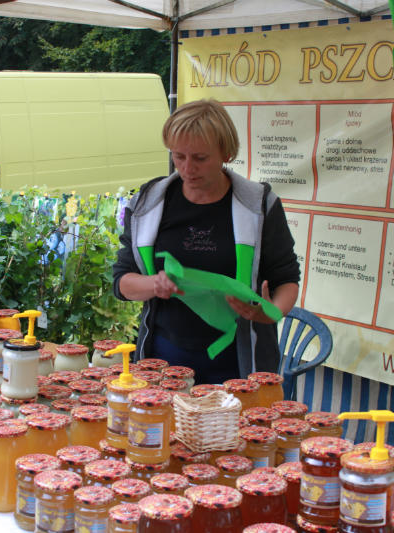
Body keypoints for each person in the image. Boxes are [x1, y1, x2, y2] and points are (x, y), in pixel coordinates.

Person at [113, 99, 300, 384]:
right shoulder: (149, 203)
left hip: (241, 362)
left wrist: (268, 314)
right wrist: (155, 285)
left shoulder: (259, 206)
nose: (188, 168)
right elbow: (122, 282)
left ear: (226, 153)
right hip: (164, 359)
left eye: (200, 158)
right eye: (178, 156)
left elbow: (286, 279)